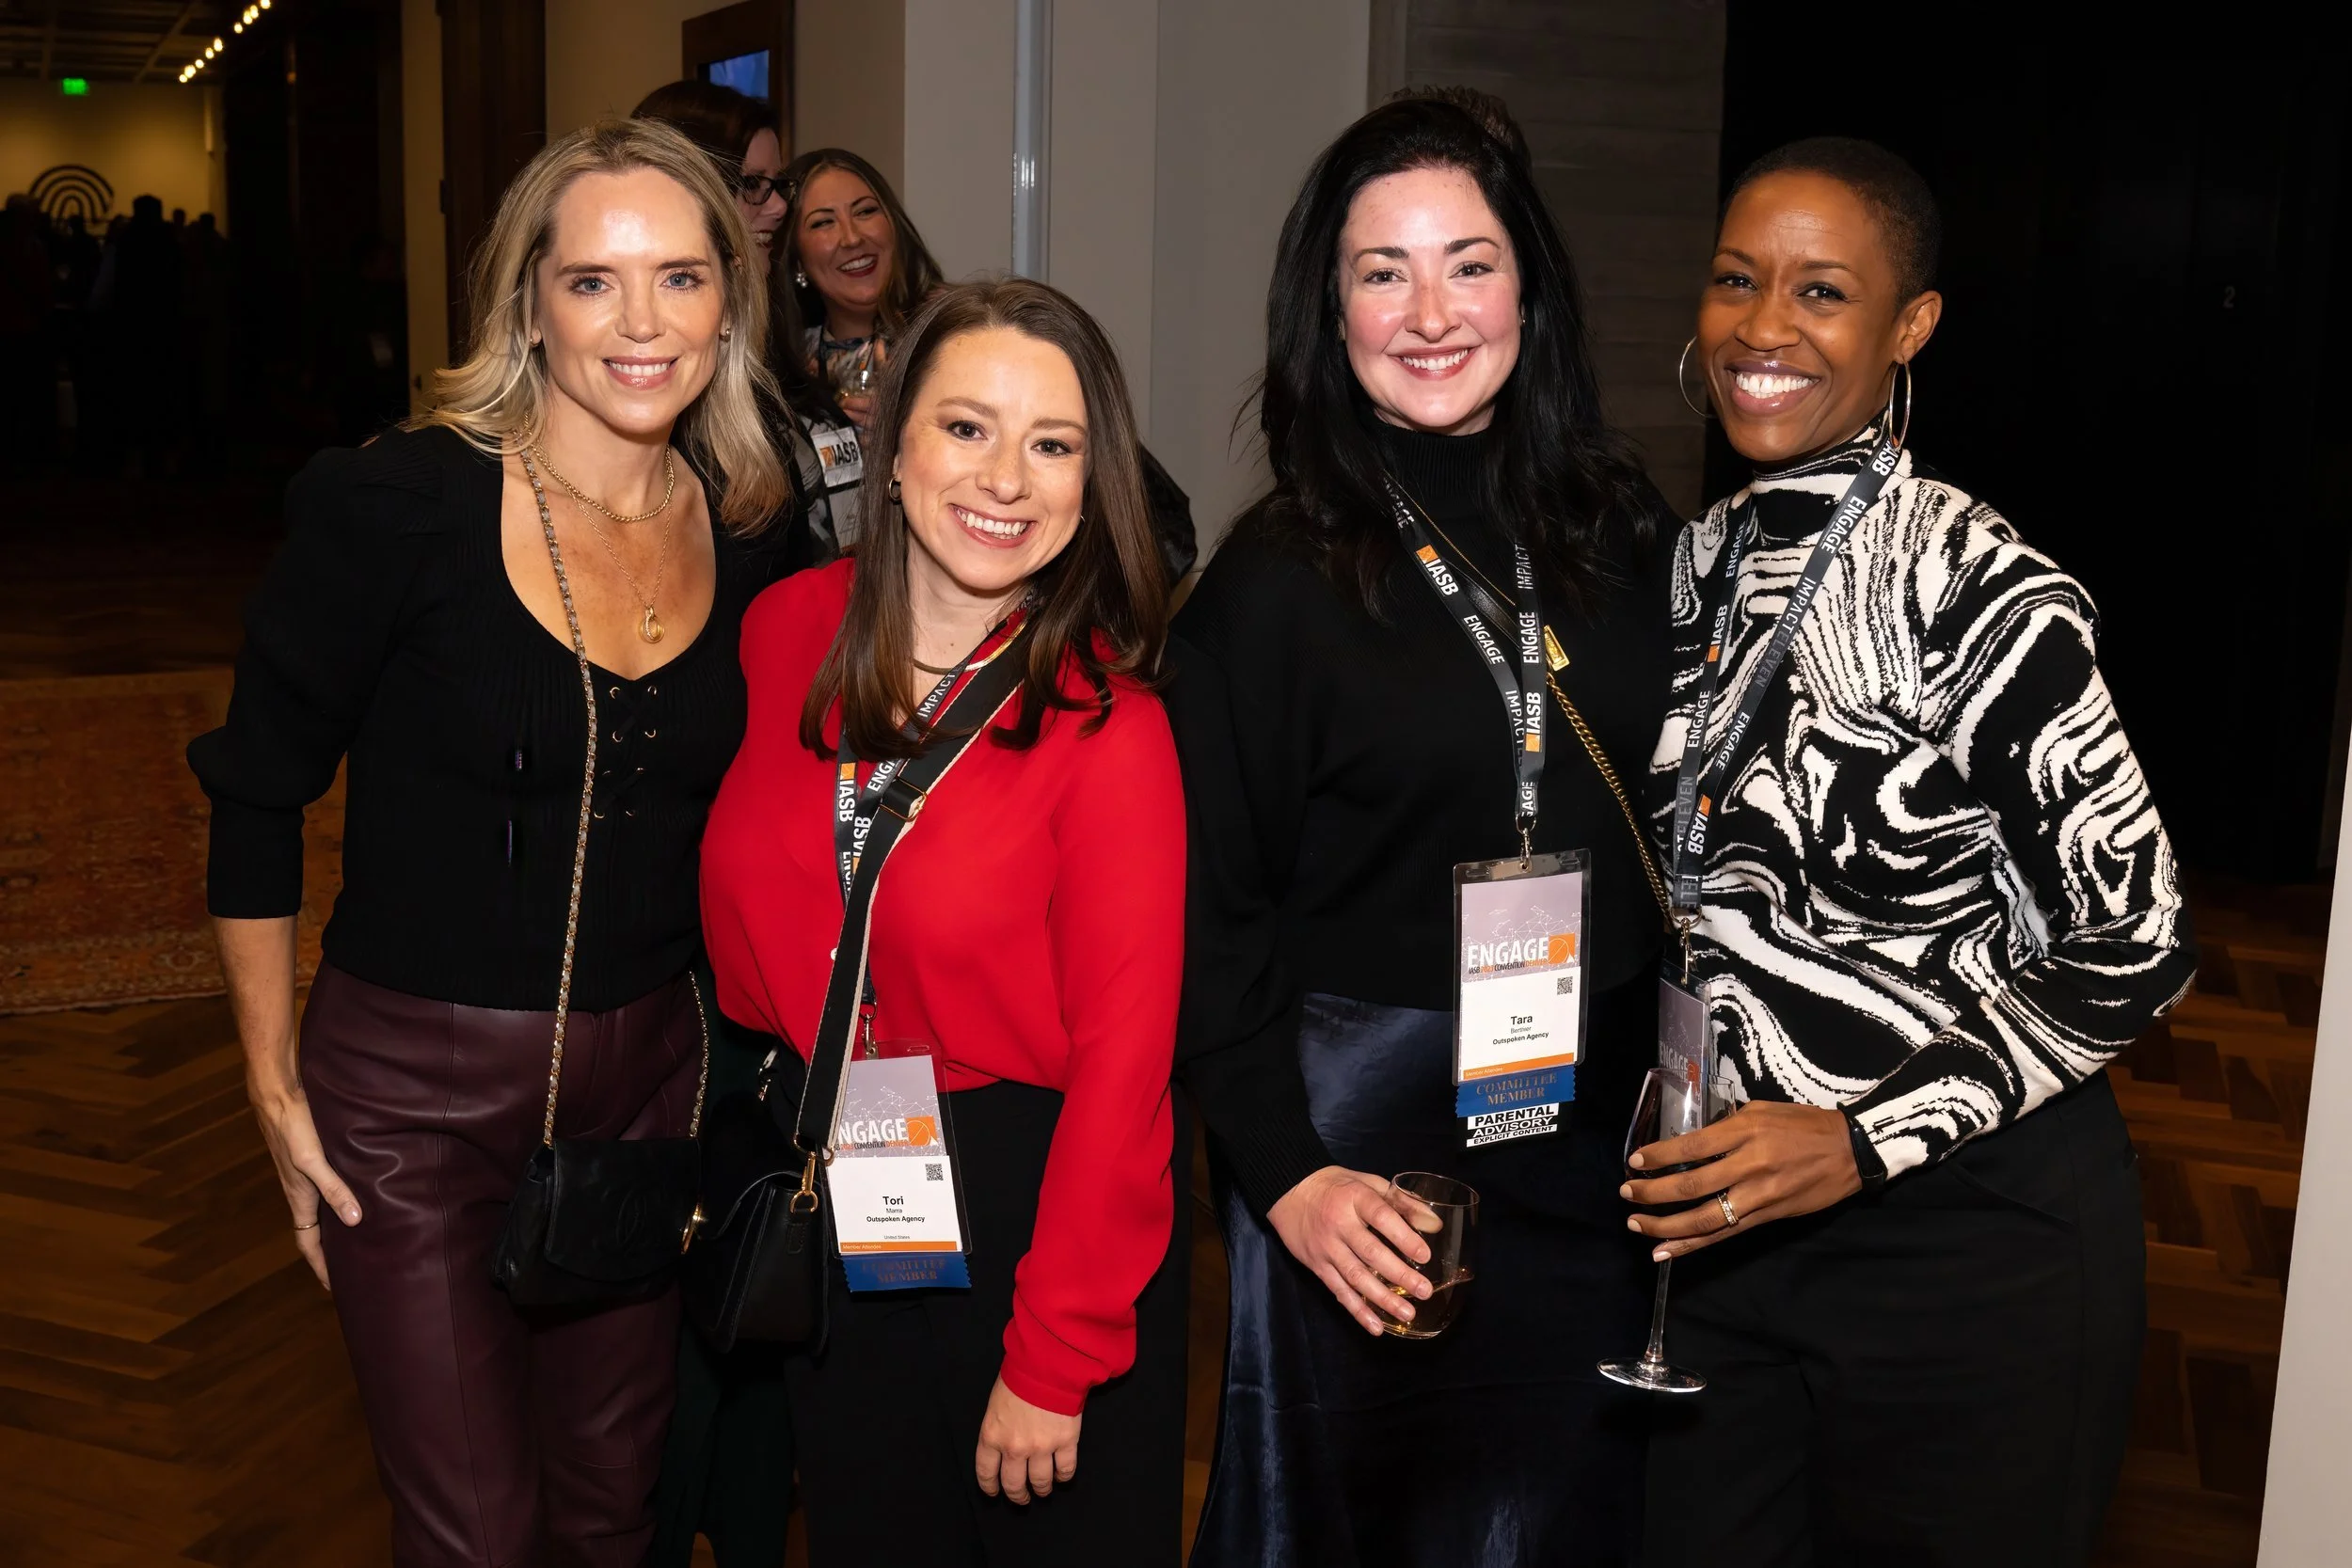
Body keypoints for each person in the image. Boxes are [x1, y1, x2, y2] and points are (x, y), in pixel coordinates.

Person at [188, 118, 790, 1567]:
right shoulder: (397, 505)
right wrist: (273, 1088)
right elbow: (257, 791)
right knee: (474, 1529)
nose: (641, 324)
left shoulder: (762, 529)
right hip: (410, 1106)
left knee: (609, 1509)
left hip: (653, 1092)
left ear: (731, 301)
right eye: (593, 282)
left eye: (682, 279)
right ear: (528, 303)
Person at [1629, 136, 2193, 1565]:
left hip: (1969, 1240)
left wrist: (1863, 1136)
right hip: (1735, 1229)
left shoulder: (1974, 582)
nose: (1765, 327)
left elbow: (2141, 937)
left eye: (1822, 291)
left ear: (1910, 326)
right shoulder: (1701, 563)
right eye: (1736, 281)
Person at [1171, 93, 1677, 1566]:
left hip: (1588, 1132)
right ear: (1330, 313)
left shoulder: (1621, 522)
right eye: (1382, 272)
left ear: (1531, 283)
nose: (1431, 311)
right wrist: (1290, 1176)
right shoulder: (1270, 587)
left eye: (1468, 261)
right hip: (1367, 1159)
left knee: (1568, 1503)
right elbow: (1209, 921)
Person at [697, 276, 1187, 1565]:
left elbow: (1127, 1074)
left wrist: (1059, 1350)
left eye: (1055, 443)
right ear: (895, 443)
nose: (1007, 479)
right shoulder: (780, 633)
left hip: (1040, 1209)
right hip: (845, 1160)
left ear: (1095, 482)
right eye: (968, 427)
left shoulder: (1110, 727)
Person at [774, 146, 946, 434]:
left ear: (893, 226)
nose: (852, 238)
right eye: (824, 223)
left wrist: (908, 431)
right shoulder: (783, 366)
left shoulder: (948, 334)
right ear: (796, 258)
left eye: (865, 211)